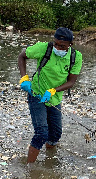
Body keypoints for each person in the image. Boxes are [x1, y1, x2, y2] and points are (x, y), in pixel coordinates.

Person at [18, 27, 83, 163]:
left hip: (54, 98)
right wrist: (24, 78)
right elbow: (22, 56)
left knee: (55, 134)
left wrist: (54, 90)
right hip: (36, 94)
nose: (58, 47)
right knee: (41, 133)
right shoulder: (44, 48)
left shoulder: (75, 57)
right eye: (56, 44)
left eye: (62, 46)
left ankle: (49, 161)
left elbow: (71, 82)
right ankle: (30, 168)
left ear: (70, 45)